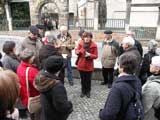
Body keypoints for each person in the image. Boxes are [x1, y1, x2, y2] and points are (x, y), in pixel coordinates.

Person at [99, 52, 142, 120]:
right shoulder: (138, 81)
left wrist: (101, 113)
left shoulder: (118, 88)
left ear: (121, 68)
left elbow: (109, 115)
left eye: (118, 64)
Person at [34, 55, 73, 120]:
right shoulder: (57, 86)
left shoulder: (41, 76)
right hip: (54, 116)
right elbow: (62, 106)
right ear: (59, 70)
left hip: (45, 112)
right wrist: (70, 105)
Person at [17, 48, 40, 120]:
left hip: (25, 96)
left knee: (31, 114)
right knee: (37, 115)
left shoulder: (20, 66)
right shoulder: (32, 71)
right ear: (30, 58)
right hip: (34, 97)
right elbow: (39, 86)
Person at [75, 32, 98, 98]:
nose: (86, 38)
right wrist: (78, 51)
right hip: (81, 65)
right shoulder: (80, 43)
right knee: (82, 80)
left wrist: (89, 55)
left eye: (88, 37)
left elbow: (96, 56)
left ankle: (88, 91)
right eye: (85, 37)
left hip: (89, 66)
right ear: (83, 38)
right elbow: (76, 51)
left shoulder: (94, 45)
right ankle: (83, 91)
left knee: (88, 80)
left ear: (90, 38)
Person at [142, 56, 160, 120]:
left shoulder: (152, 88)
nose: (150, 65)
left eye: (152, 64)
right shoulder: (153, 80)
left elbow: (143, 108)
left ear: (157, 69)